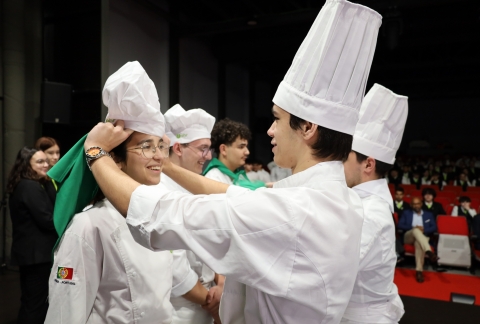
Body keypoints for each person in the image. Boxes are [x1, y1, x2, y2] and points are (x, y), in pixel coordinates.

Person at [82, 1, 381, 322]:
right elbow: (233, 195)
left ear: (308, 128)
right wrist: (167, 165)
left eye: (277, 119)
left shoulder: (293, 213)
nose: (269, 130)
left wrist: (96, 153)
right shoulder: (340, 200)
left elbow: (158, 217)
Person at [45, 62, 206, 323]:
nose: (157, 157)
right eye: (145, 147)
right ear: (116, 160)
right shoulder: (89, 226)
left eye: (159, 146)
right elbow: (65, 313)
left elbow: (162, 303)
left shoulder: (156, 214)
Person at [342, 84, 407, 323]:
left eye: (344, 156)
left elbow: (330, 270)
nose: (338, 162)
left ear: (368, 165)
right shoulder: (361, 201)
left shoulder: (370, 213)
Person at [162, 103, 222, 324]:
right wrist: (213, 303)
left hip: (206, 299)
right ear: (178, 148)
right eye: (202, 148)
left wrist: (220, 281)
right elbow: (176, 271)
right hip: (181, 309)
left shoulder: (196, 186)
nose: (207, 156)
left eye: (209, 149)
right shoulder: (163, 191)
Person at [7, 147, 57, 324]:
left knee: (33, 301)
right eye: (40, 162)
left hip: (32, 254)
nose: (47, 164)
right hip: (36, 256)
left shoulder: (26, 184)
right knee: (35, 304)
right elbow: (48, 220)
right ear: (27, 165)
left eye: (46, 160)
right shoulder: (30, 186)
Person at [398, 197, 438, 283]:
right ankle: (429, 251)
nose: (416, 205)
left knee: (418, 243)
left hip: (423, 237)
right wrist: (414, 228)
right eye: (414, 204)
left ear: (421, 204)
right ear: (411, 205)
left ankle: (419, 271)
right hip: (409, 236)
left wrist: (424, 230)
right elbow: (400, 225)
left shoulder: (428, 214)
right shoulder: (406, 213)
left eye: (418, 203)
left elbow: (434, 227)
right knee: (416, 230)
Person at [202, 118, 252, 185]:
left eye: (246, 147)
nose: (247, 152)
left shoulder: (238, 175)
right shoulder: (213, 179)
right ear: (223, 149)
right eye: (241, 147)